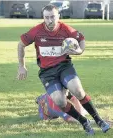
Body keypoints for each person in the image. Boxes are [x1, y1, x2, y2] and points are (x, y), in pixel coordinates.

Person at [17, 4, 110, 135]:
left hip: (64, 66)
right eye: (47, 17)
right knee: (60, 101)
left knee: (78, 91)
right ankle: (84, 121)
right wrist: (21, 66)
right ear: (43, 17)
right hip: (47, 72)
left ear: (58, 16)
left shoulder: (65, 29)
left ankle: (99, 120)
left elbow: (81, 38)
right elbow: (21, 45)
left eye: (53, 17)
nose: (50, 20)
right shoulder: (36, 31)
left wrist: (79, 50)